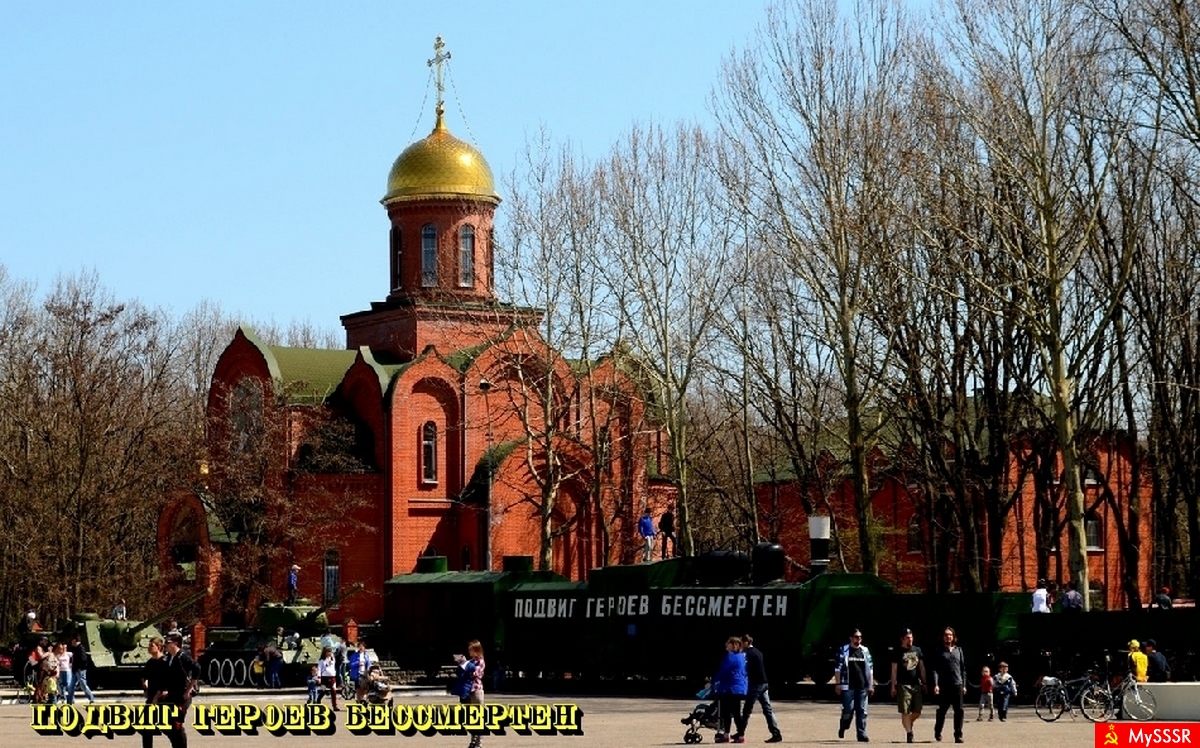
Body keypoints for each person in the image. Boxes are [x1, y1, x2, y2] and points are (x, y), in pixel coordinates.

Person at [834, 628, 873, 743]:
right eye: (856, 637)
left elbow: (870, 669)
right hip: (848, 685)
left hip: (862, 685)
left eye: (860, 637)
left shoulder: (865, 651)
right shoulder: (844, 650)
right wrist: (838, 684)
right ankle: (843, 726)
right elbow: (838, 668)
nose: (858, 639)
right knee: (848, 710)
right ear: (851, 638)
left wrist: (870, 685)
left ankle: (862, 734)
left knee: (862, 711)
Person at [740, 634, 782, 743]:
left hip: (756, 684)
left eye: (741, 643)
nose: (740, 646)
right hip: (764, 682)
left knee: (747, 709)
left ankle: (740, 732)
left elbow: (744, 668)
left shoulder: (748, 654)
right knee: (768, 709)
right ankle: (776, 733)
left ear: (746, 642)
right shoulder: (758, 652)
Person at [161, 633, 200, 748]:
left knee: (176, 725)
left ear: (175, 643)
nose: (165, 645)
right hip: (172, 694)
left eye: (168, 643)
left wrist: (189, 688)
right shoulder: (169, 657)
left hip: (182, 696)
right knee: (165, 722)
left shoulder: (183, 656)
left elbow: (197, 668)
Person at [931, 627, 967, 744]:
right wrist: (936, 684)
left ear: (953, 636)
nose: (948, 637)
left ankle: (958, 735)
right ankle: (938, 731)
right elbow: (935, 669)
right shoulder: (938, 651)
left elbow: (962, 669)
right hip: (944, 685)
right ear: (943, 637)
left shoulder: (959, 650)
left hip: (957, 684)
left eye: (950, 635)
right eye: (946, 635)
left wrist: (964, 685)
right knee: (942, 710)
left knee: (959, 710)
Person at [709, 636, 748, 744]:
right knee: (736, 712)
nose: (726, 645)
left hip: (730, 688)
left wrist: (712, 682)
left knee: (727, 713)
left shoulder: (730, 657)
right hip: (739, 688)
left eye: (728, 643)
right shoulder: (741, 656)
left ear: (733, 645)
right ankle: (739, 735)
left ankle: (729, 734)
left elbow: (723, 671)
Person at [890, 627, 926, 744]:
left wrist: (924, 682)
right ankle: (909, 733)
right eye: (907, 638)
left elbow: (921, 667)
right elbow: (894, 670)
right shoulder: (897, 651)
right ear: (902, 639)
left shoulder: (917, 650)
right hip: (903, 684)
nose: (910, 640)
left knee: (917, 711)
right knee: (905, 711)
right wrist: (893, 686)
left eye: (911, 637)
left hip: (916, 684)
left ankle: (908, 722)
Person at [453, 640, 486, 748]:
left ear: (476, 650)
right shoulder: (470, 661)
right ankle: (473, 741)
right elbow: (461, 673)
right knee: (471, 718)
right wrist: (461, 663)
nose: (469, 651)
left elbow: (474, 673)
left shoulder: (480, 661)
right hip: (467, 691)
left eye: (471, 649)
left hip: (476, 690)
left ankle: (479, 743)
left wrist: (465, 664)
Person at [141, 637, 169, 748]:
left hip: (163, 699)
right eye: (149, 645)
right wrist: (145, 688)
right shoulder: (150, 662)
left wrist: (157, 697)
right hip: (152, 697)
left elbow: (165, 681)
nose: (149, 648)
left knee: (170, 729)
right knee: (146, 727)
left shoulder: (164, 662)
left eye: (152, 646)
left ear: (159, 647)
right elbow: (143, 676)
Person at [68, 634, 96, 704]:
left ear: (74, 640)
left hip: (79, 670)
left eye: (72, 640)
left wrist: (79, 667)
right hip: (75, 670)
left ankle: (91, 698)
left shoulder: (80, 648)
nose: (71, 642)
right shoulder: (76, 648)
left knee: (83, 685)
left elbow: (84, 659)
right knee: (71, 686)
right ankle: (70, 701)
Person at [317, 646, 340, 711]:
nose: (329, 653)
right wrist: (319, 677)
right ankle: (318, 700)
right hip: (324, 677)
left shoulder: (333, 659)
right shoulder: (322, 660)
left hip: (332, 676)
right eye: (328, 651)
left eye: (330, 651)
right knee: (323, 690)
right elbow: (319, 669)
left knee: (333, 691)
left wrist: (332, 656)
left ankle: (335, 706)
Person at [55, 642, 73, 706]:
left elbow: (75, 658)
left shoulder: (69, 654)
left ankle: (71, 698)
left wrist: (71, 664)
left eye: (66, 647)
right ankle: (63, 697)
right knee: (61, 685)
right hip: (61, 671)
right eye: (63, 647)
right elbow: (57, 663)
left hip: (67, 670)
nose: (65, 649)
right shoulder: (58, 655)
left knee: (68, 684)